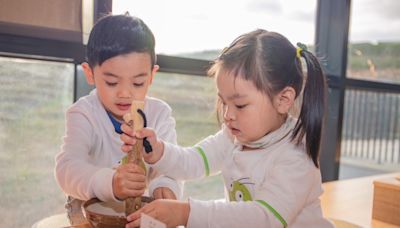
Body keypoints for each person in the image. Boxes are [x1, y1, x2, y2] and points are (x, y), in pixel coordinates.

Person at [120, 29, 334, 228]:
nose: (228, 115)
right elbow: (193, 161)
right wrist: (159, 152)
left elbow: (264, 218)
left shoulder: (295, 157)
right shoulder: (232, 137)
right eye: (224, 102)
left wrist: (187, 213)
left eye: (240, 105)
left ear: (284, 99)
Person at [54, 14, 182, 225]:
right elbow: (67, 168)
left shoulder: (160, 114)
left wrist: (165, 187)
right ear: (90, 73)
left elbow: (169, 166)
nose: (125, 93)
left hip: (138, 209)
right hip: (88, 208)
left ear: (151, 76)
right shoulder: (84, 113)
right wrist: (110, 183)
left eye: (138, 83)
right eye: (112, 82)